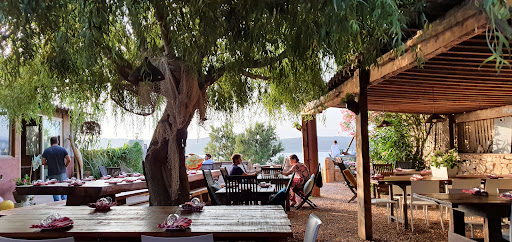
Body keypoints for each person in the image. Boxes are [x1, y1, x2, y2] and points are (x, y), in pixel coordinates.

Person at [42, 136, 71, 201]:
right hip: (62, 172)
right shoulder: (63, 149)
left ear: (50, 143)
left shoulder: (46, 151)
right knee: (63, 188)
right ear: (58, 142)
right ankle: (64, 202)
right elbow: (69, 160)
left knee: (54, 189)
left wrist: (48, 163)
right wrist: (65, 166)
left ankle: (56, 203)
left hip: (51, 173)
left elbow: (43, 162)